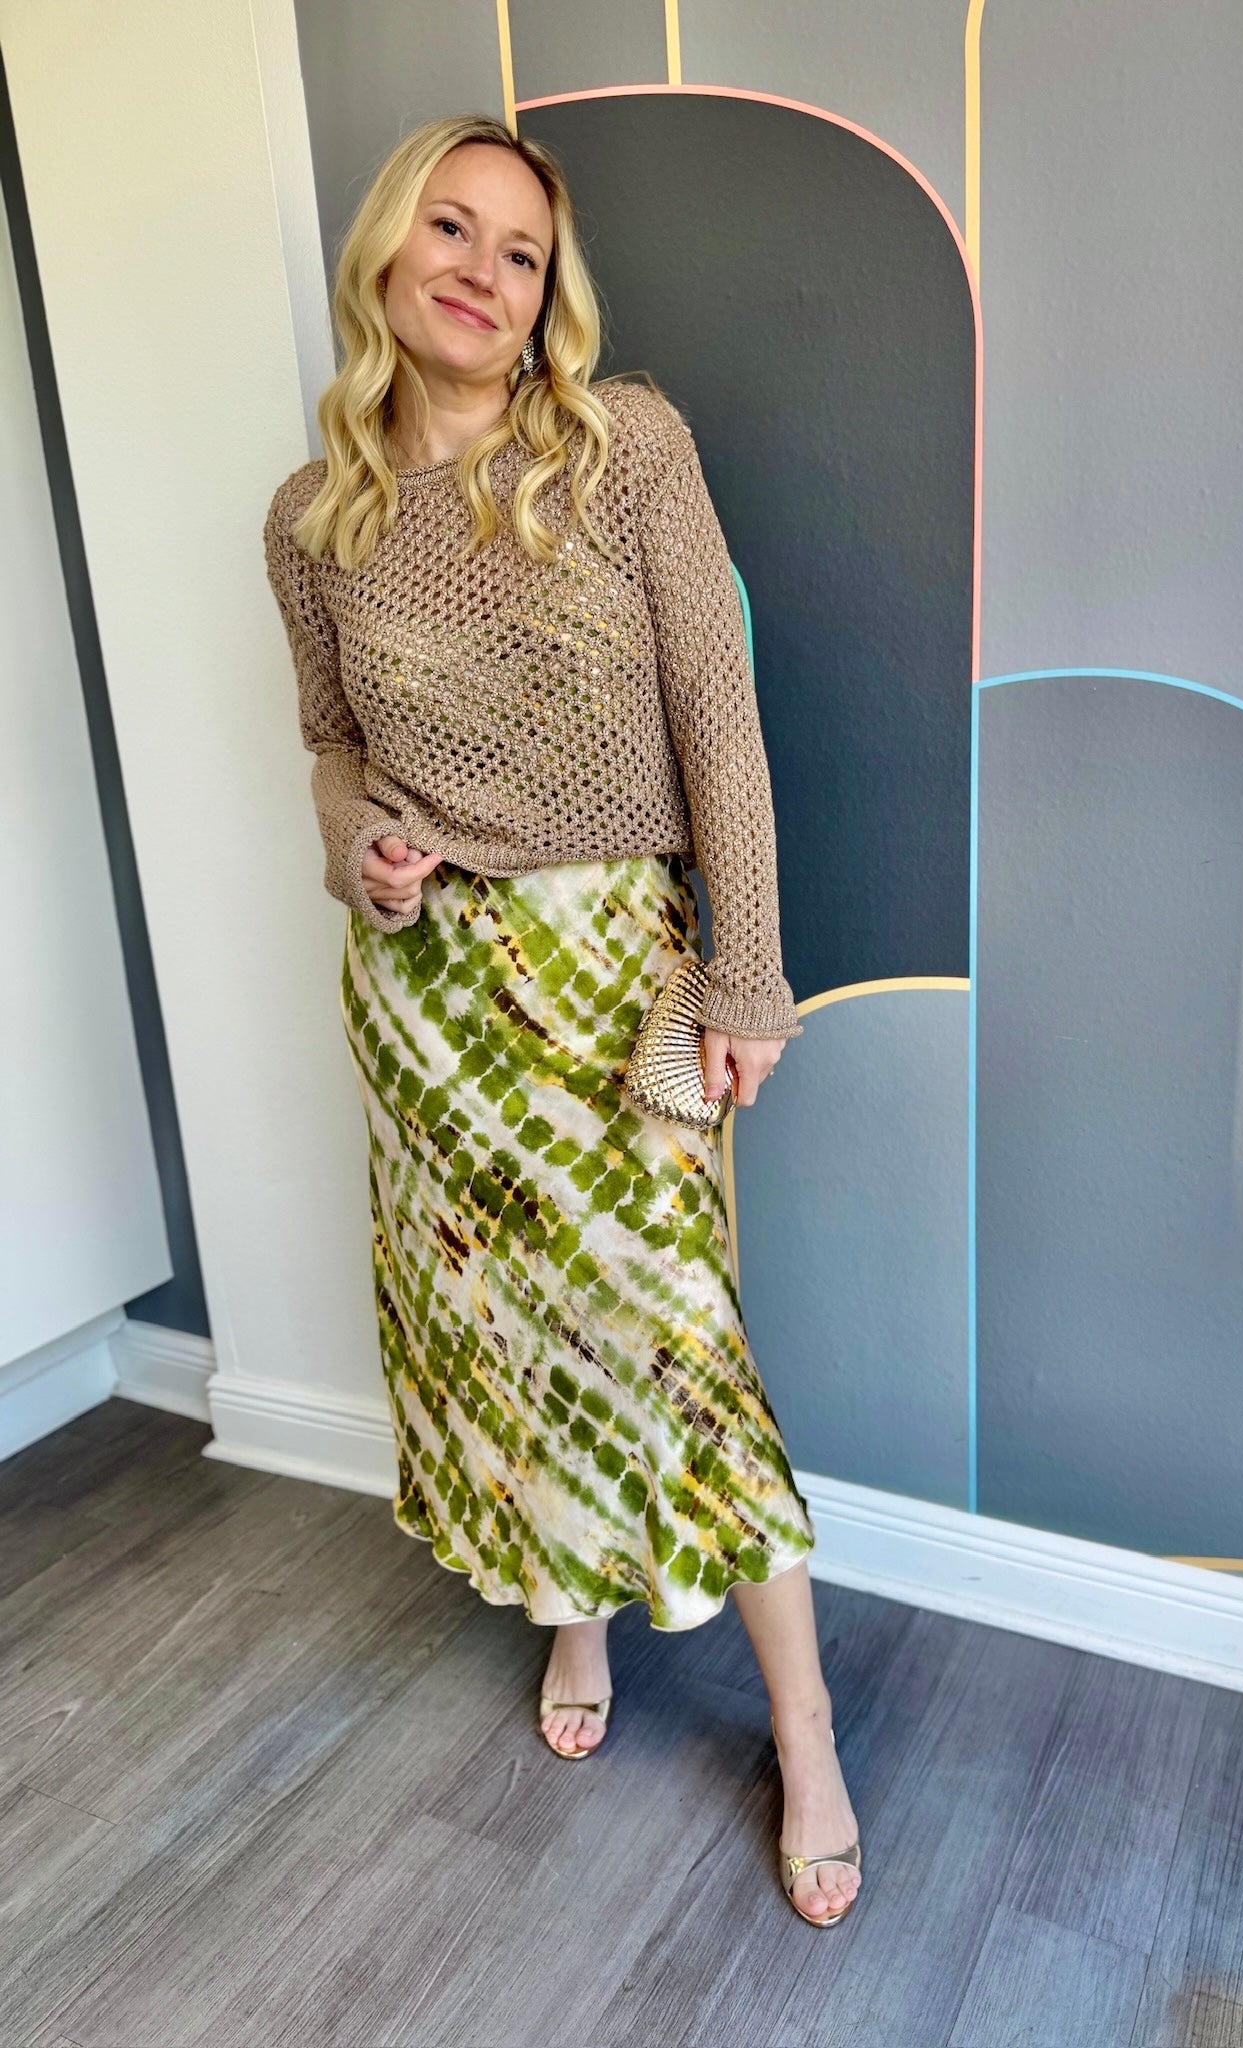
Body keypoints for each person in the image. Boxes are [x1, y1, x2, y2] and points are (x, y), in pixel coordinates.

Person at [263, 111, 861, 1928]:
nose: (481, 270)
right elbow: (331, 744)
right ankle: (572, 1616)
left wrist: (742, 975)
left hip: (614, 973)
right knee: (499, 1335)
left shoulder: (622, 445)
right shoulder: (313, 518)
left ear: (546, 297)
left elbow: (718, 722)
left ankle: (805, 1729)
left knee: (672, 1343)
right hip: (428, 998)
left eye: (518, 252)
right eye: (449, 228)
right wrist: (359, 846)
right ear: (387, 249)